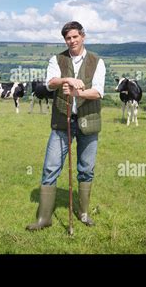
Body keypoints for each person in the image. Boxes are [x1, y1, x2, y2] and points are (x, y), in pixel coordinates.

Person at [26, 21, 106, 231]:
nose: (71, 41)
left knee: (86, 169)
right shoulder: (57, 59)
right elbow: (50, 83)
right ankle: (44, 218)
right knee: (50, 167)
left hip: (88, 120)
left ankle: (84, 212)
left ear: (83, 36)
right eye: (68, 38)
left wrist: (78, 93)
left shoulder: (97, 61)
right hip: (63, 121)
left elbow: (98, 92)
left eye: (75, 37)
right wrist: (68, 79)